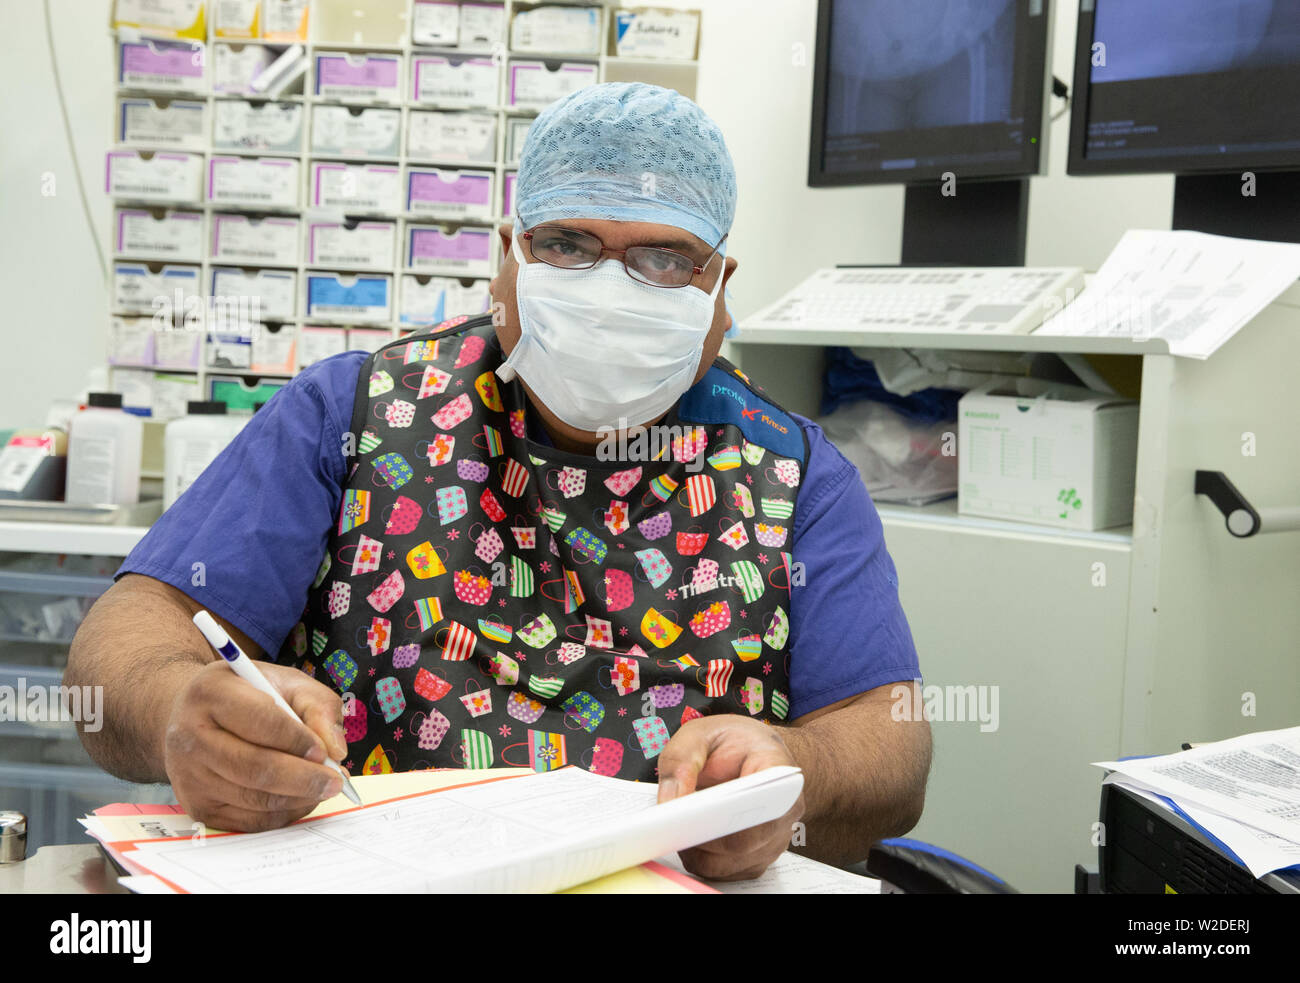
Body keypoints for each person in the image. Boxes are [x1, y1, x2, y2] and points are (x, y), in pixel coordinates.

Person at [68, 82, 931, 881]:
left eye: (664, 260)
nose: (607, 291)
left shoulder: (795, 475)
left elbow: (890, 745)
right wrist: (183, 704)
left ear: (718, 286)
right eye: (567, 244)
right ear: (509, 256)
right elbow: (129, 639)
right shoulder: (353, 413)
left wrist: (798, 771)